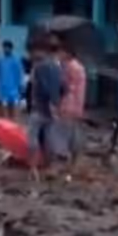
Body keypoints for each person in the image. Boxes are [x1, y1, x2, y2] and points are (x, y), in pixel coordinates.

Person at [27, 39, 63, 182]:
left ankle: (33, 169)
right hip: (52, 109)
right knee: (50, 139)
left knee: (33, 139)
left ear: (43, 50)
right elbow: (63, 87)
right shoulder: (57, 67)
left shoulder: (40, 67)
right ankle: (51, 168)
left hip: (40, 107)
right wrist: (56, 103)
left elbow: (42, 86)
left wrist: (47, 102)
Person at [57, 44, 88, 176]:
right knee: (72, 135)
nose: (60, 55)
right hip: (73, 106)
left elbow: (69, 88)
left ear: (68, 53)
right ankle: (72, 164)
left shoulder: (71, 67)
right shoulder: (77, 67)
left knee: (68, 136)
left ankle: (70, 165)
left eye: (62, 52)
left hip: (69, 105)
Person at [0, 40, 24, 121]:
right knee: (0, 109)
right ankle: (1, 125)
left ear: (11, 49)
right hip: (1, 88)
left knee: (12, 110)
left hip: (13, 89)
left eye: (8, 48)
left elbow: (20, 74)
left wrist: (21, 86)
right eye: (4, 47)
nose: (6, 49)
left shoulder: (16, 61)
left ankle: (11, 126)